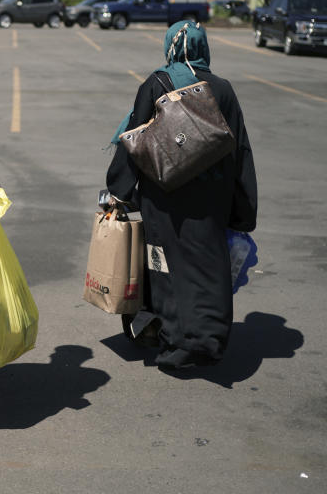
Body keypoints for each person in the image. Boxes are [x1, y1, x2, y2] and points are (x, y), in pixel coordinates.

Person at [106, 20, 257, 370]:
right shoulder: (222, 89)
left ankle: (177, 343)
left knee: (166, 268)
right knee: (209, 266)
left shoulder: (157, 83)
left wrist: (119, 189)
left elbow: (135, 139)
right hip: (211, 199)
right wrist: (243, 206)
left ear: (169, 47)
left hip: (165, 197)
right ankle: (210, 338)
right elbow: (240, 151)